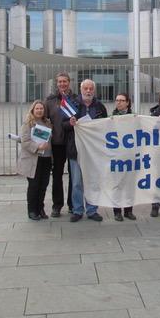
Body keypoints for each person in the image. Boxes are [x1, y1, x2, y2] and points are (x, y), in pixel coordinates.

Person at [64, 79, 108, 222]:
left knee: (93, 182)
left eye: (91, 89)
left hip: (93, 152)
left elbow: (105, 127)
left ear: (94, 91)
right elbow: (62, 124)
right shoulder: (73, 105)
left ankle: (92, 210)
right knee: (76, 182)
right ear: (81, 89)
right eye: (86, 88)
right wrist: (70, 124)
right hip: (76, 150)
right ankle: (77, 210)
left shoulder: (100, 106)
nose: (88, 91)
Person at [45, 71, 77, 217]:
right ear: (56, 83)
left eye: (65, 81)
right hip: (57, 143)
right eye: (60, 81)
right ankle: (57, 205)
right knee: (57, 175)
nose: (62, 84)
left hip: (72, 143)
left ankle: (72, 204)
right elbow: (44, 120)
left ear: (69, 82)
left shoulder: (76, 99)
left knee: (73, 175)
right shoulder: (50, 101)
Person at [18, 100, 53, 221]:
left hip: (46, 158)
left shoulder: (47, 122)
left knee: (43, 185)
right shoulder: (28, 123)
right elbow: (25, 142)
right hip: (34, 159)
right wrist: (37, 147)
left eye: (41, 109)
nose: (39, 111)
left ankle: (40, 208)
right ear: (33, 110)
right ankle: (32, 210)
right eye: (37, 109)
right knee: (34, 186)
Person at [111, 93, 136, 222]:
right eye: (117, 100)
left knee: (129, 183)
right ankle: (117, 211)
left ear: (127, 103)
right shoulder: (111, 117)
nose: (119, 102)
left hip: (130, 155)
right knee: (117, 183)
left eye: (122, 100)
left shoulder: (134, 117)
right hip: (117, 156)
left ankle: (128, 210)